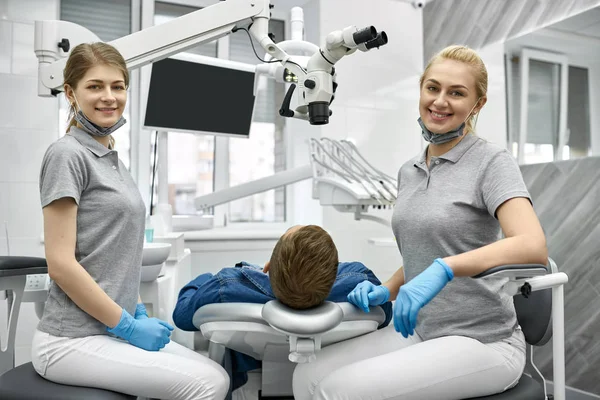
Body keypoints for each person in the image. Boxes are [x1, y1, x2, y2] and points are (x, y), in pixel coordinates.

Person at [292, 45, 548, 400]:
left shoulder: (491, 161)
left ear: (477, 104)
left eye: (456, 93)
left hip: (483, 341)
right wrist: (388, 288)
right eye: (433, 88)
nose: (440, 101)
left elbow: (532, 244)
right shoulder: (409, 170)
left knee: (338, 391)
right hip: (423, 329)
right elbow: (427, 247)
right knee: (306, 375)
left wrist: (445, 269)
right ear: (422, 89)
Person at [32, 42, 229, 400]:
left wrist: (137, 310)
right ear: (70, 93)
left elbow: (117, 254)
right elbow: (60, 265)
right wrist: (127, 326)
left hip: (108, 331)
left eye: (118, 86)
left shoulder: (110, 157)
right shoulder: (67, 155)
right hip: (69, 340)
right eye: (95, 86)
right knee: (207, 385)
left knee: (216, 372)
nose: (109, 96)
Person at [172, 225, 393, 390]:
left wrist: (205, 279)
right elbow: (384, 315)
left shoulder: (228, 286)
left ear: (268, 265)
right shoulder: (357, 283)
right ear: (333, 272)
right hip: (330, 376)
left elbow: (182, 316)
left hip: (252, 366)